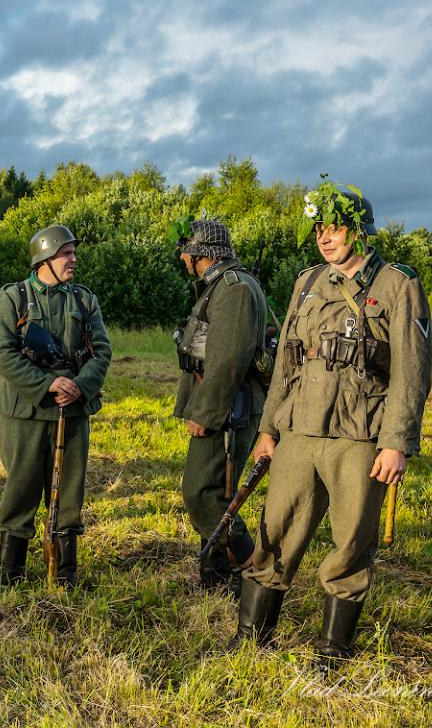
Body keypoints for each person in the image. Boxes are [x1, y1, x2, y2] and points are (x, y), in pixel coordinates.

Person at [231, 185, 432, 671]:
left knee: (350, 543)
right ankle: (251, 639)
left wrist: (396, 443)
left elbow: (412, 372)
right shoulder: (306, 282)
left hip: (360, 435)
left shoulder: (397, 284)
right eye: (318, 227)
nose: (325, 237)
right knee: (276, 530)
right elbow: (285, 364)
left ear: (359, 228)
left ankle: (332, 651)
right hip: (300, 428)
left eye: (335, 227)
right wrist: (268, 429)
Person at [0, 225, 112, 588]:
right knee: (21, 488)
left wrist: (80, 386)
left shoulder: (85, 300)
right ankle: (10, 573)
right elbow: (2, 354)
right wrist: (46, 384)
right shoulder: (13, 298)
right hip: (25, 411)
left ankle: (65, 574)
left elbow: (102, 351)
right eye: (65, 253)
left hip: (72, 409)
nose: (73, 259)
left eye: (73, 253)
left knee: (69, 491)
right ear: (45, 257)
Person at [172, 219, 268, 594]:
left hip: (230, 410)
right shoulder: (226, 285)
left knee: (204, 493)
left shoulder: (233, 289)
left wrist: (206, 412)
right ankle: (216, 577)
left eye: (188, 252)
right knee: (216, 491)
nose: (183, 258)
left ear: (203, 255)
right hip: (228, 407)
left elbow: (228, 360)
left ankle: (254, 570)